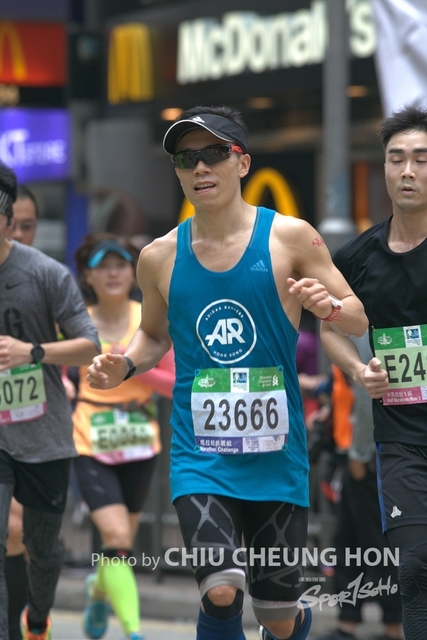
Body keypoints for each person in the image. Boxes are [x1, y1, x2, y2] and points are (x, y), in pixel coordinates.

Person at [86, 105, 367, 640]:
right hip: (202, 454)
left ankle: (292, 618)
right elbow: (153, 335)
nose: (200, 167)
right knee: (220, 589)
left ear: (243, 163)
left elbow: (357, 316)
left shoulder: (290, 238)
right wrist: (124, 363)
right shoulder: (159, 256)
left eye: (214, 153)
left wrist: (328, 306)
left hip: (276, 453)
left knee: (277, 618)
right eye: (185, 158)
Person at [319, 104, 427, 640]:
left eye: (422, 159)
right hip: (400, 437)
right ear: (382, 168)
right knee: (413, 564)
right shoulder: (358, 256)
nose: (408, 171)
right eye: (396, 158)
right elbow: (330, 329)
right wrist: (360, 371)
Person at [0, 163, 101, 640]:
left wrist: (32, 352)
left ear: (7, 219)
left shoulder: (44, 273)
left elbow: (89, 345)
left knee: (42, 549)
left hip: (43, 435)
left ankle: (37, 617)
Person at [72, 233, 175, 640]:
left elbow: (173, 382)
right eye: (103, 267)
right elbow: (56, 372)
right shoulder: (76, 321)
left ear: (133, 273)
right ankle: (134, 631)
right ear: (88, 276)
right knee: (115, 537)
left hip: (138, 437)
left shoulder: (147, 320)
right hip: (88, 436)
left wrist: (130, 367)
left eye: (121, 265)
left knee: (120, 546)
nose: (113, 274)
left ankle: (97, 590)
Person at [315, 334, 403, 640]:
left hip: (367, 460)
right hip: (357, 455)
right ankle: (348, 623)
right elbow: (349, 394)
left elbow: (368, 400)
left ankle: (393, 626)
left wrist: (359, 453)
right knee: (348, 543)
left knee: (378, 546)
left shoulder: (362, 332)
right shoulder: (346, 332)